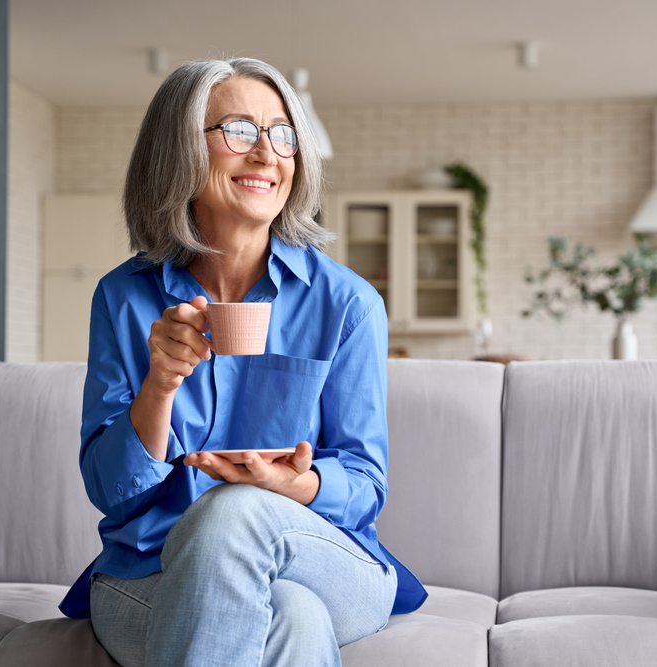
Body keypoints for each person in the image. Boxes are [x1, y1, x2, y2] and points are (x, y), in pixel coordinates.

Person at [58, 57, 426, 667]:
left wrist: (292, 485)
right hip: (149, 573)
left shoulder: (348, 304)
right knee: (293, 616)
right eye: (239, 131)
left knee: (234, 514)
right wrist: (160, 384)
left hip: (319, 556)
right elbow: (111, 493)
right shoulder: (123, 298)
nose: (267, 153)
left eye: (283, 133)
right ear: (177, 152)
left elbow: (365, 486)